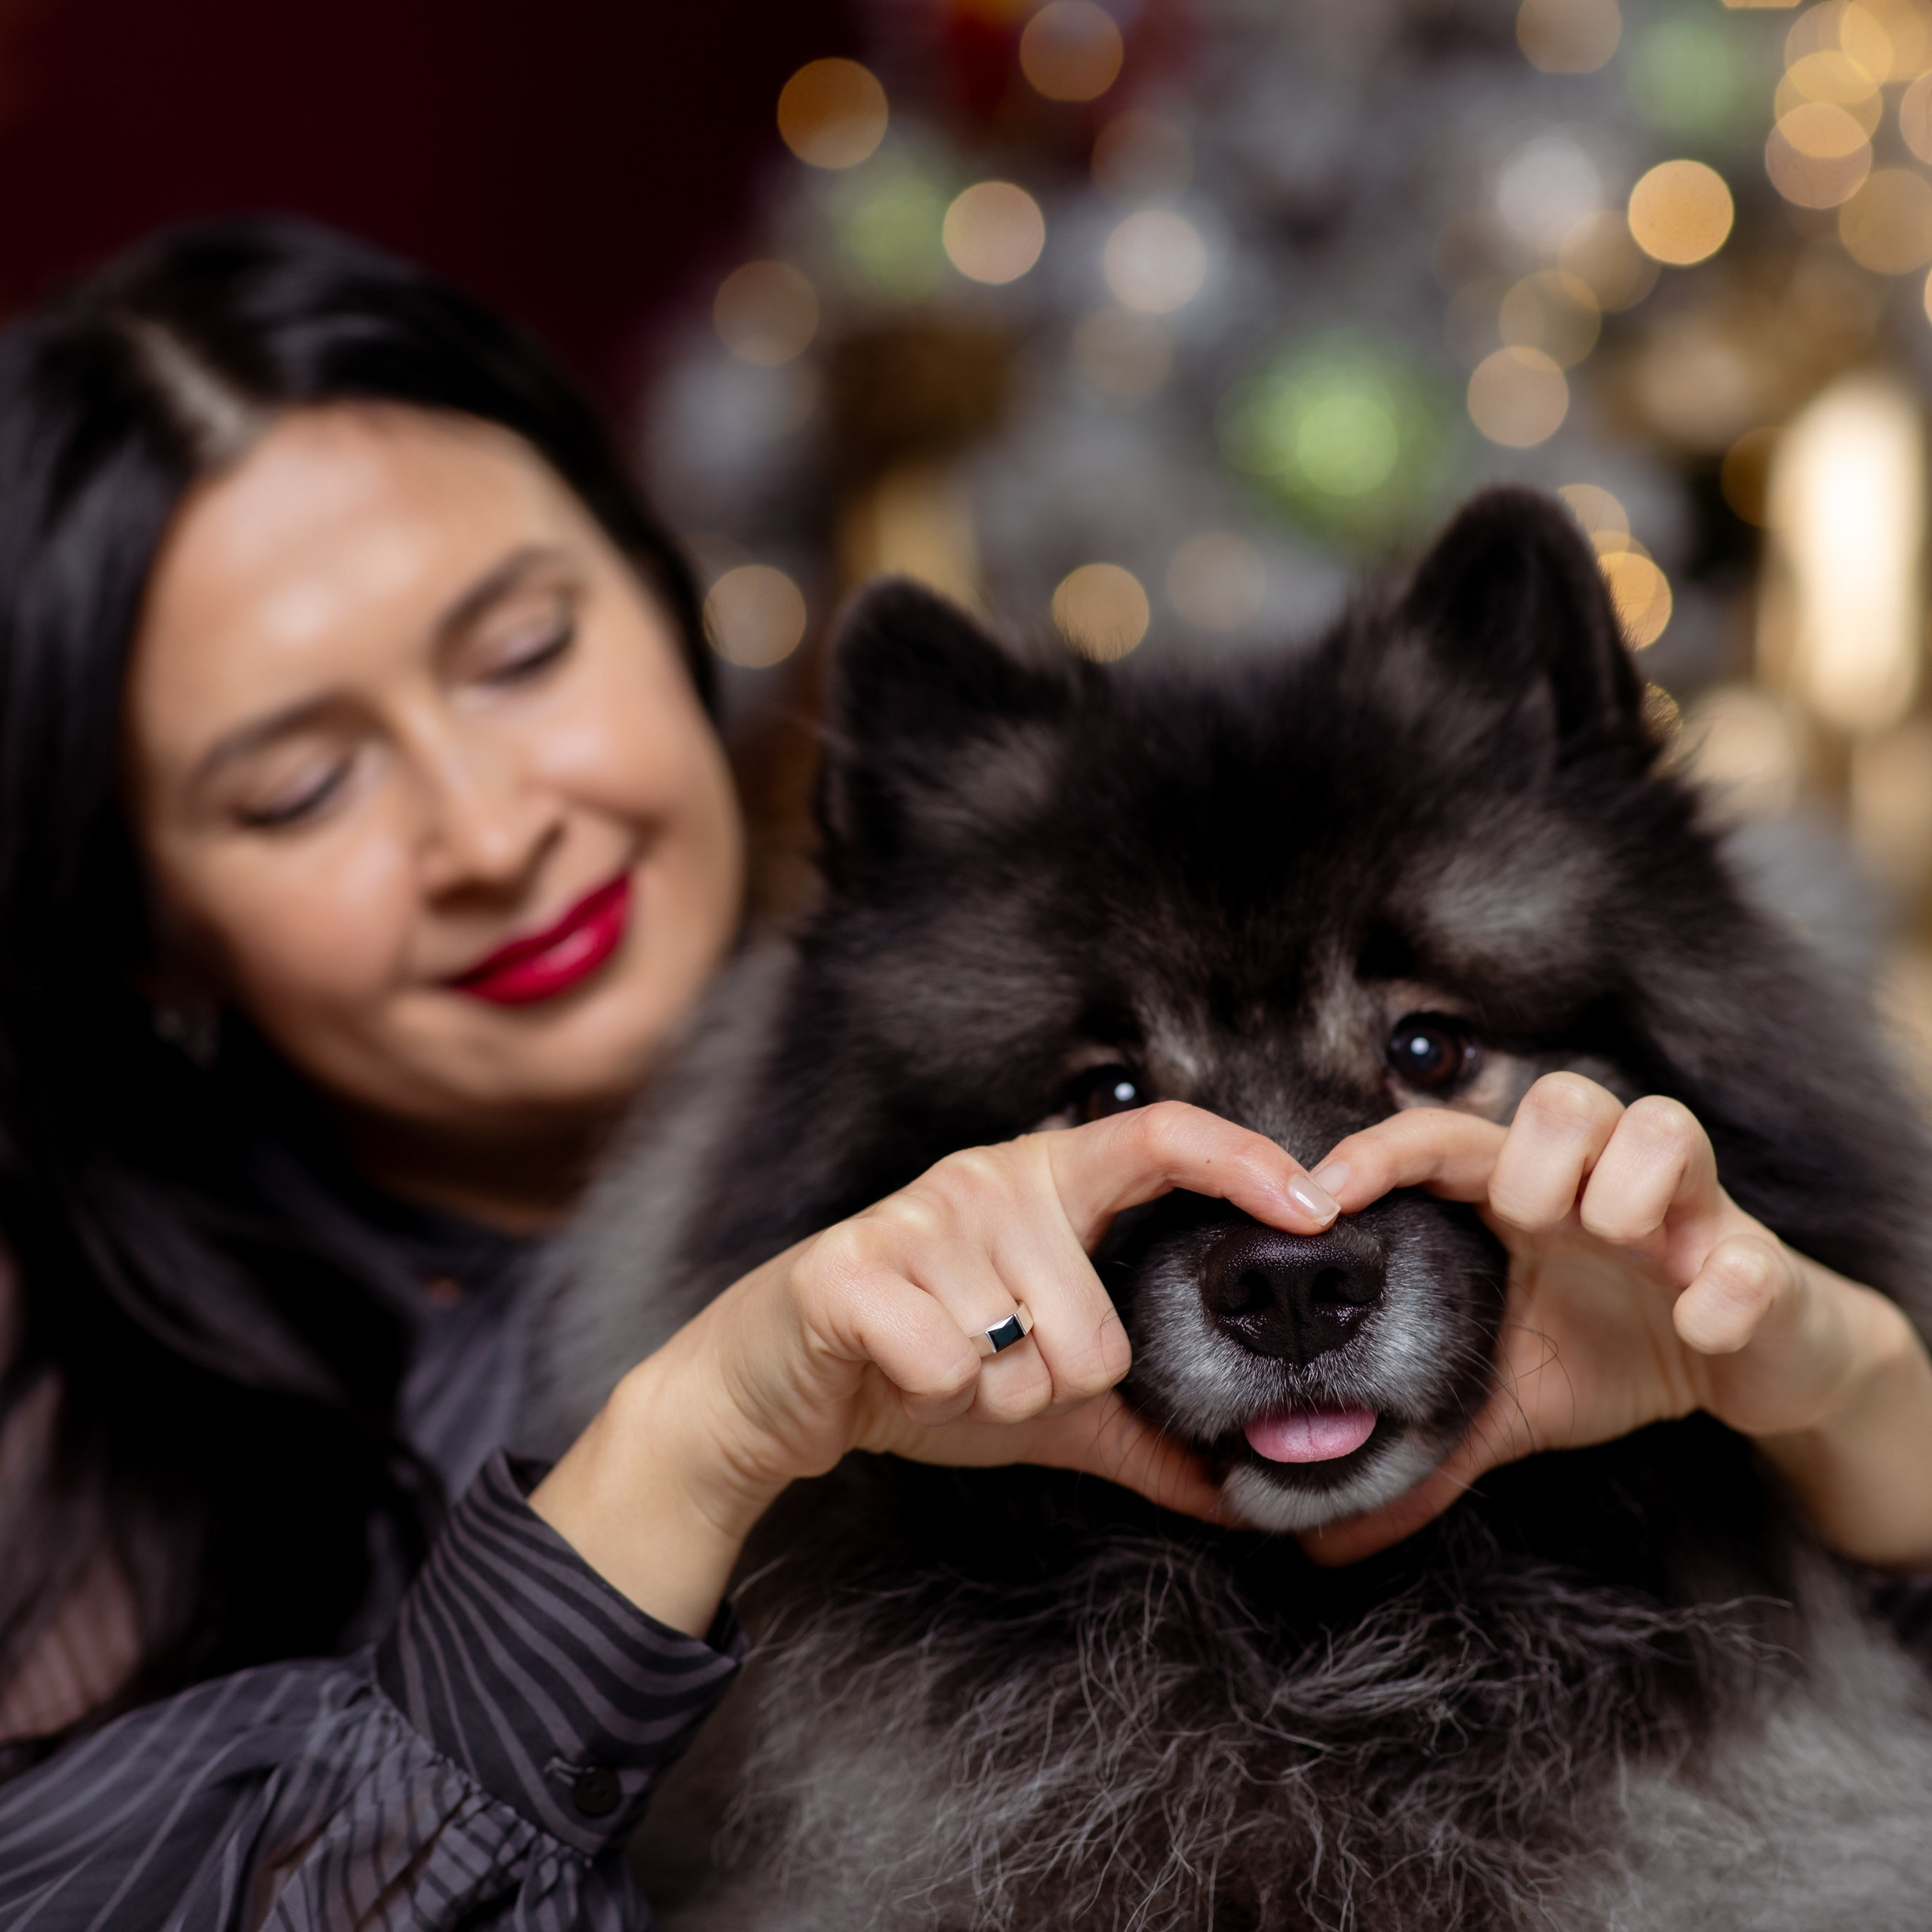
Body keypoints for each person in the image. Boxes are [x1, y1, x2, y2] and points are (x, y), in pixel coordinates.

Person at [0, 216, 1928, 1930]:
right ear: (139, 919)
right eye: (301, 783)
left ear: (666, 599)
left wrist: (1855, 1417)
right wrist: (696, 1440)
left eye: (520, 648)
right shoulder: (88, 1496)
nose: (488, 822)